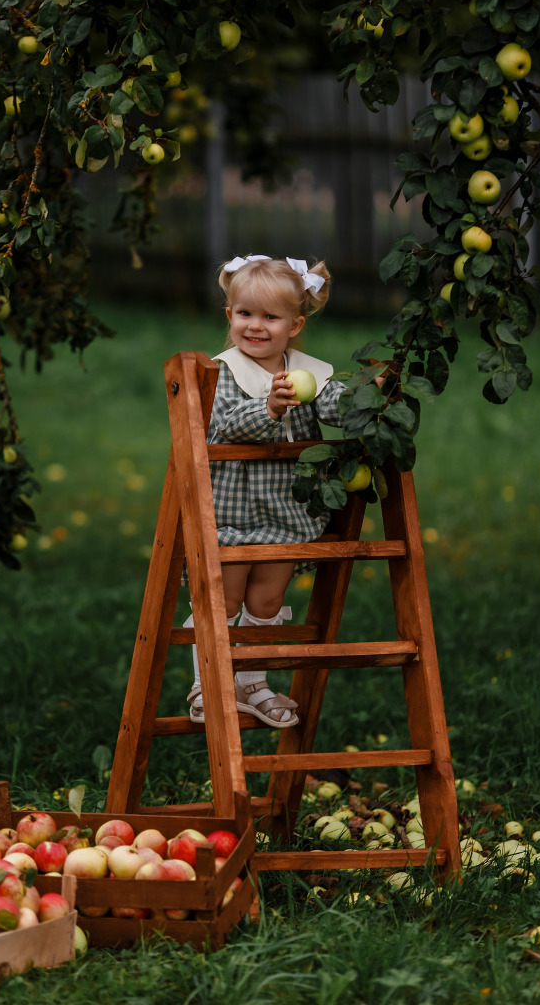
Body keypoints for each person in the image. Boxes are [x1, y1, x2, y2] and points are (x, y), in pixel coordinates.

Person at [186, 254, 348, 729]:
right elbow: (227, 425)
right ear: (229, 316)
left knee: (265, 603)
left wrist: (373, 396)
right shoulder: (223, 373)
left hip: (284, 517)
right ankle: (207, 681)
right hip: (231, 517)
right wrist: (271, 408)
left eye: (270, 317)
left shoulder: (309, 374)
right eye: (245, 314)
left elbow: (338, 406)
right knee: (225, 600)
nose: (255, 327)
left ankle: (252, 684)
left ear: (295, 325)